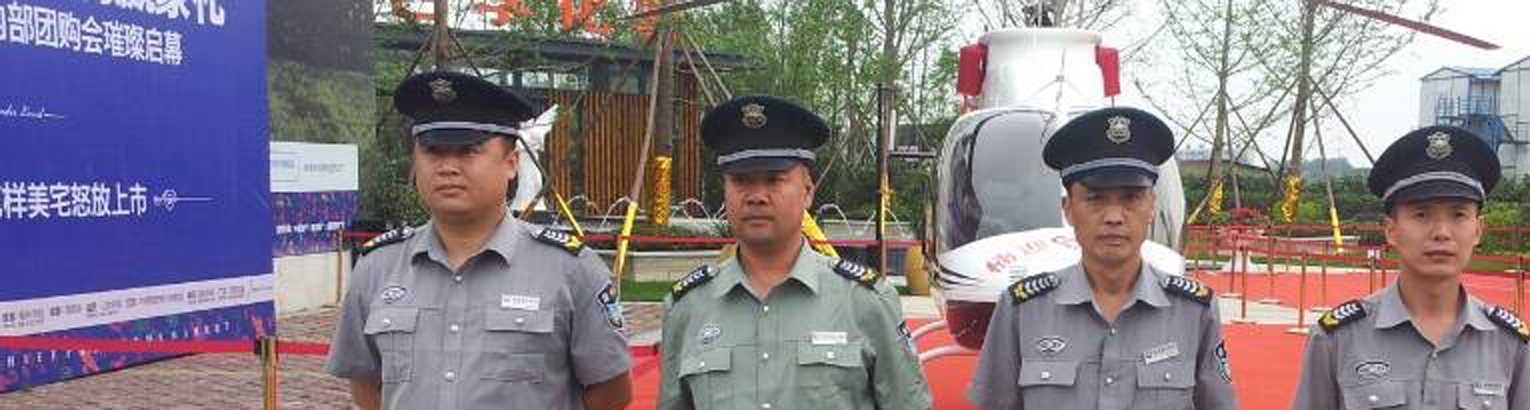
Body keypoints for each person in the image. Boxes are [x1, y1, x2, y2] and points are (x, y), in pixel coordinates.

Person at [325, 71, 634, 410]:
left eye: (468, 151)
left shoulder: (571, 269)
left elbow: (611, 392)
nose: (447, 167)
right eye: (433, 152)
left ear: (511, 163)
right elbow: (367, 386)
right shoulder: (377, 267)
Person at [654, 96, 933, 410]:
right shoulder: (687, 309)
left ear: (808, 191)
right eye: (741, 180)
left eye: (774, 179)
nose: (756, 196)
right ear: (726, 190)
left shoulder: (865, 303)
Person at [967, 107, 1239, 410]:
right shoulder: (1022, 310)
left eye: (1131, 198)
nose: (1114, 217)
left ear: (1151, 206)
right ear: (1068, 209)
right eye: (1095, 198)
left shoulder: (1193, 312)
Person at [1289, 125, 1530, 410]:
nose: (1441, 232)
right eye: (1421, 215)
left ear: (1478, 230)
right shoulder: (1337, 339)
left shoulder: (1509, 343)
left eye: (1458, 215)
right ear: (1391, 230)